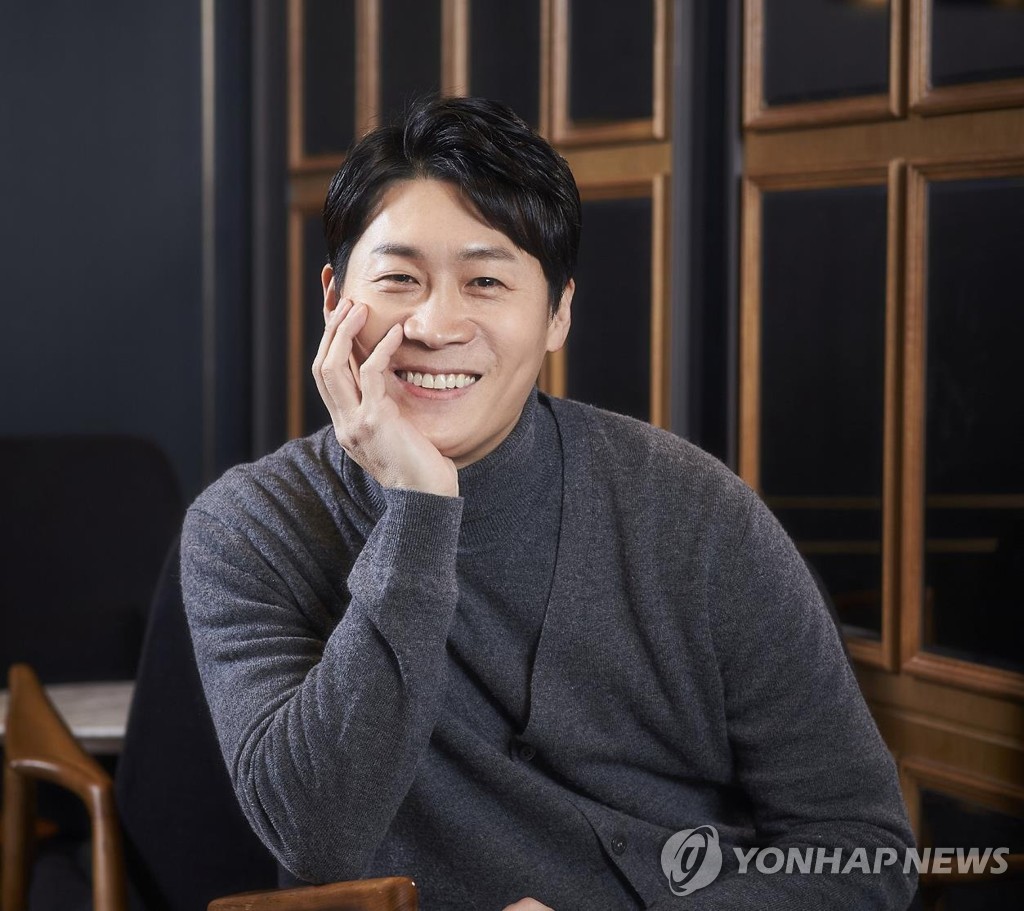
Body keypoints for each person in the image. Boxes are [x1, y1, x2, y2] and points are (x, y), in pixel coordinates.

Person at [181, 96, 916, 910]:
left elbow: (864, 850)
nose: (434, 324)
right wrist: (420, 509)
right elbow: (318, 834)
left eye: (486, 281)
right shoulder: (250, 526)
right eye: (398, 279)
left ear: (558, 311)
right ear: (333, 300)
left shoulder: (696, 513)